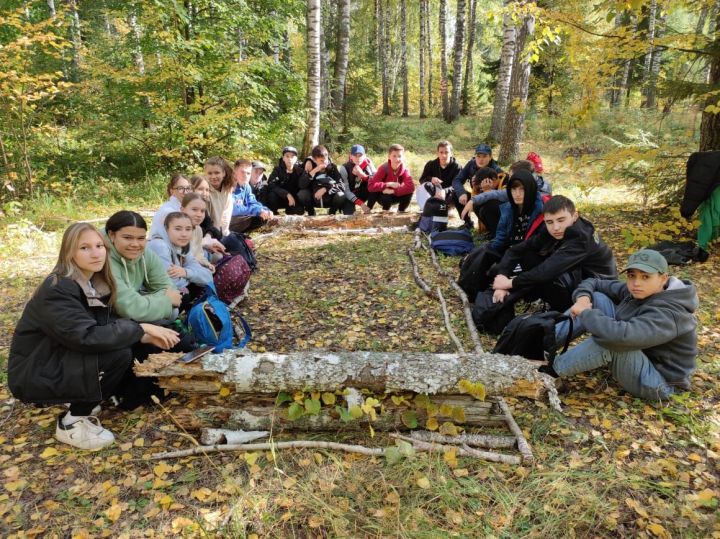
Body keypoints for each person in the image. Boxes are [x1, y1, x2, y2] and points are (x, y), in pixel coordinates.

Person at [8, 223, 180, 450]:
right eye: (85, 248)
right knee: (117, 354)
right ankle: (72, 422)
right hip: (36, 371)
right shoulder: (58, 288)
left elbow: (103, 325)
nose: (96, 252)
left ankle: (90, 397)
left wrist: (141, 336)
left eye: (99, 246)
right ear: (69, 253)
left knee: (129, 347)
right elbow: (87, 337)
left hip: (57, 357)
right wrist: (141, 329)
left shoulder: (91, 283)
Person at [543, 249, 698, 402]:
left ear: (663, 278)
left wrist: (585, 313)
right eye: (632, 276)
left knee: (612, 342)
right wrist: (583, 298)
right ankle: (544, 345)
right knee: (596, 298)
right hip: (641, 355)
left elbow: (620, 338)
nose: (636, 283)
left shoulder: (669, 313)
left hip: (661, 384)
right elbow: (594, 282)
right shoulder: (639, 291)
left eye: (645, 277)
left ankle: (547, 372)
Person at [473, 196, 617, 333]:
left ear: (574, 216)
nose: (556, 227)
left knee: (546, 273)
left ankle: (559, 310)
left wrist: (509, 283)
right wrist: (502, 276)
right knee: (529, 256)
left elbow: (546, 271)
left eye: (561, 220)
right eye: (550, 222)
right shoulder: (555, 229)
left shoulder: (581, 238)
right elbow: (517, 250)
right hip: (579, 277)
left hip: (599, 291)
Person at [103, 210, 182, 322]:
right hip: (109, 316)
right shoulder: (102, 257)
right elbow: (126, 306)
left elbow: (168, 287)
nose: (135, 244)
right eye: (127, 238)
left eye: (141, 238)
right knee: (167, 307)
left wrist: (146, 301)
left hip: (135, 305)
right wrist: (164, 300)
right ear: (112, 235)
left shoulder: (145, 252)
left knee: (172, 311)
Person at [148, 212, 213, 313]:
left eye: (188, 229)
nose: (184, 234)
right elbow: (171, 282)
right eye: (177, 229)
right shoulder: (159, 245)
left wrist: (186, 272)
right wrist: (191, 276)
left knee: (200, 284)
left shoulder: (183, 245)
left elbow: (208, 277)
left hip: (167, 292)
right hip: (150, 294)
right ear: (166, 229)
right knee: (185, 293)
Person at [303, 145, 357, 215]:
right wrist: (314, 171)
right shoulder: (309, 166)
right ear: (315, 160)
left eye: (325, 159)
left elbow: (341, 186)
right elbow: (301, 185)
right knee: (302, 194)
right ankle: (311, 212)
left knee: (341, 195)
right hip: (314, 199)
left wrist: (326, 189)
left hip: (330, 199)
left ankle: (332, 211)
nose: (324, 162)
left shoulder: (333, 168)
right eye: (321, 160)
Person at [452, 143, 503, 214]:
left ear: (490, 157)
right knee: (455, 194)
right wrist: (461, 193)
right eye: (478, 156)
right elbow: (457, 180)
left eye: (484, 156)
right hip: (474, 195)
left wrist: (488, 190)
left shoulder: (497, 170)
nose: (481, 159)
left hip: (490, 198)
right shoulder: (471, 164)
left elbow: (501, 194)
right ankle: (467, 222)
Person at [229, 159, 274, 234]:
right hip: (223, 221)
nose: (245, 176)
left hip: (236, 219)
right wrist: (257, 211)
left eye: (248, 173)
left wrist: (264, 209)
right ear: (234, 173)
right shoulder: (229, 186)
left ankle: (241, 234)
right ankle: (231, 235)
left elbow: (252, 202)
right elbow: (233, 209)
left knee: (262, 217)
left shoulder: (246, 186)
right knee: (256, 216)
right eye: (242, 172)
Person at [368, 144, 415, 212]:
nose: (397, 159)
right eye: (394, 156)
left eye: (399, 156)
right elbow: (371, 186)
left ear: (403, 157)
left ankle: (401, 210)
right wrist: (388, 184)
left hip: (396, 194)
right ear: (389, 156)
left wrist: (393, 191)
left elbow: (411, 187)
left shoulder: (405, 170)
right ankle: (385, 210)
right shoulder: (383, 168)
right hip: (383, 197)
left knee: (409, 193)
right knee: (385, 195)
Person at [267, 146, 312, 216]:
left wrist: (309, 161)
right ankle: (273, 213)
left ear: (296, 158)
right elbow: (271, 184)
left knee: (298, 212)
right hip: (280, 197)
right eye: (287, 156)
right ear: (283, 158)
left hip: (294, 199)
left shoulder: (300, 170)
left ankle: (309, 211)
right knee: (272, 195)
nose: (289, 159)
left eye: (292, 156)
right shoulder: (277, 169)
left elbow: (314, 160)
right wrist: (286, 194)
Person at [180, 191, 216, 272]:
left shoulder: (198, 230)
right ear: (182, 209)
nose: (199, 214)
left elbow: (198, 254)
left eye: (202, 211)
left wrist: (207, 264)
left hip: (193, 268)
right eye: (194, 209)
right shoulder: (176, 231)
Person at [149, 173, 192, 239]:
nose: (185, 192)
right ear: (172, 191)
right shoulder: (169, 211)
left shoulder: (180, 207)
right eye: (180, 188)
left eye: (188, 188)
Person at [204, 156, 235, 236]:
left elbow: (226, 216)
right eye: (210, 173)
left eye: (217, 173)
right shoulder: (204, 191)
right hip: (208, 234)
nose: (213, 177)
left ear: (223, 173)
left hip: (223, 232)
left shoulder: (227, 190)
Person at [339, 144, 375, 212]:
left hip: (365, 192)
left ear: (364, 156)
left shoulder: (368, 163)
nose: (358, 158)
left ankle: (369, 209)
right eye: (355, 155)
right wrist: (361, 204)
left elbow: (376, 180)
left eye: (360, 155)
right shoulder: (344, 168)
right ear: (351, 156)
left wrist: (363, 175)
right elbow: (346, 191)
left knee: (374, 187)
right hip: (351, 195)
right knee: (349, 215)